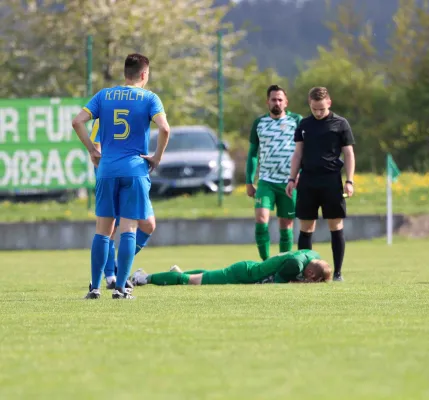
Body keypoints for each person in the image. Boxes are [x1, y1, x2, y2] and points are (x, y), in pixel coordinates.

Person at [72, 53, 171, 299]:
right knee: (128, 228)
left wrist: (93, 150)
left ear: (124, 72)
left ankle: (94, 288)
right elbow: (165, 128)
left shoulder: (104, 95)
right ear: (144, 74)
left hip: (106, 169)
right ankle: (120, 289)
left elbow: (77, 122)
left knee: (102, 231)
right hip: (134, 169)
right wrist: (156, 157)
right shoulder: (150, 98)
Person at [285, 87, 355, 282]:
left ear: (329, 103)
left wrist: (349, 180)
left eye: (322, 109)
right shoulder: (304, 125)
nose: (318, 112)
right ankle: (304, 272)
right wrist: (292, 179)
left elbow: (349, 154)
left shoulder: (340, 124)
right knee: (306, 227)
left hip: (331, 180)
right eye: (315, 109)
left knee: (335, 225)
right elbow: (298, 153)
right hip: (307, 180)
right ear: (310, 104)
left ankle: (338, 273)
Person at [89, 119, 157, 290]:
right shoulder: (103, 113)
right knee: (110, 228)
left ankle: (120, 267)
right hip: (111, 175)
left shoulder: (138, 107)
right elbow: (95, 147)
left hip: (133, 173)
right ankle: (111, 276)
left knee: (148, 225)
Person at [246, 85, 303, 260]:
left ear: (286, 102)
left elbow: (304, 150)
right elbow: (253, 154)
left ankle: (283, 263)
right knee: (261, 220)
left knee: (286, 225)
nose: (276, 102)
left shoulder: (296, 120)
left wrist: (300, 173)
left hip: (289, 182)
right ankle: (266, 264)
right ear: (267, 102)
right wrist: (249, 180)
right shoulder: (259, 123)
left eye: (280, 99)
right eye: (273, 99)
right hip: (266, 181)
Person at [130, 249, 331, 286]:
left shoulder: (311, 256)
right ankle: (144, 278)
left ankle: (176, 273)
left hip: (248, 268)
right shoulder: (296, 264)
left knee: (206, 275)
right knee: (193, 282)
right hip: (243, 274)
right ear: (311, 273)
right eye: (313, 280)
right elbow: (279, 283)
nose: (309, 282)